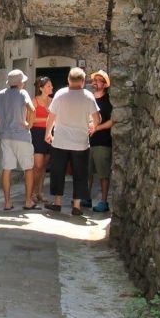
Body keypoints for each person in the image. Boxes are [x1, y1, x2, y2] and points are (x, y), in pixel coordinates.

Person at [44, 67, 100, 217]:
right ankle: (76, 205)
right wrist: (94, 127)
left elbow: (51, 117)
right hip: (80, 143)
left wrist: (48, 132)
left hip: (60, 141)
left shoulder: (60, 94)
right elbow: (97, 118)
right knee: (80, 174)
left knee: (58, 172)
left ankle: (57, 202)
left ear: (68, 80)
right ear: (83, 81)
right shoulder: (88, 96)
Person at [0, 68, 36, 211]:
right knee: (28, 168)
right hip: (21, 136)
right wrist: (29, 124)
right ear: (20, 83)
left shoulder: (1, 94)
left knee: (7, 169)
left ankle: (7, 203)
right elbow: (32, 109)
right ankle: (28, 201)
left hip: (5, 136)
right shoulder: (22, 93)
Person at [83, 69, 113, 213]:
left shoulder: (108, 101)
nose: (94, 82)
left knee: (103, 173)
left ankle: (104, 201)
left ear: (105, 84)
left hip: (102, 142)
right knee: (86, 172)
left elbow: (112, 121)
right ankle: (86, 198)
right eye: (94, 80)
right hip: (86, 141)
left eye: (98, 80)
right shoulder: (89, 100)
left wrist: (97, 128)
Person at [30, 75, 54, 205]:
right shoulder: (34, 101)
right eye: (48, 86)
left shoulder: (53, 101)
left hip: (49, 133)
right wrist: (48, 120)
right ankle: (32, 193)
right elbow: (30, 120)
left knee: (44, 165)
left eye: (51, 85)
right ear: (41, 88)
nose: (51, 87)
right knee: (37, 166)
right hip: (37, 134)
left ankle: (40, 192)